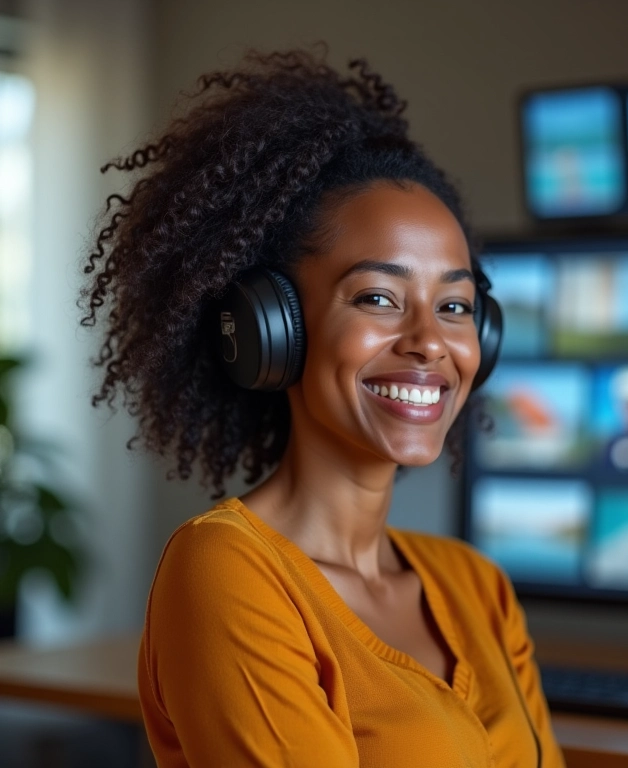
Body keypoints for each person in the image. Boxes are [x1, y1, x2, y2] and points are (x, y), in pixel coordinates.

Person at [81, 49, 563, 768]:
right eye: (378, 297)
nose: (431, 342)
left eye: (455, 306)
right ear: (272, 329)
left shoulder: (477, 587)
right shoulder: (227, 571)